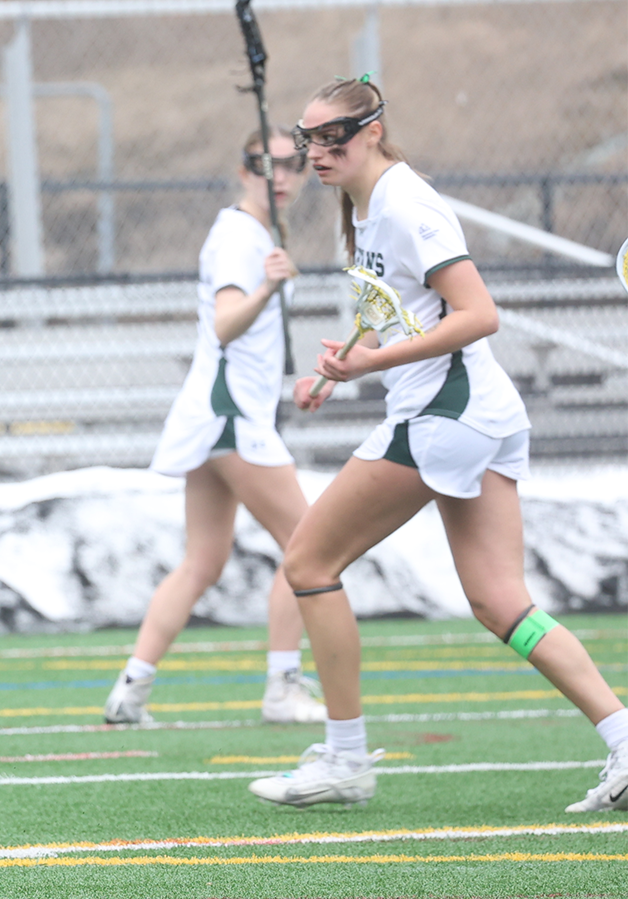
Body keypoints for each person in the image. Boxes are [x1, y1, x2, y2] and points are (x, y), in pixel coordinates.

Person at [249, 77, 628, 810]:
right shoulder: (362, 206)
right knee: (498, 601)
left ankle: (345, 758)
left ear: (371, 130)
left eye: (332, 137)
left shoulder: (406, 204)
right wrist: (341, 370)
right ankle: (624, 737)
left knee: (308, 559)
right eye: (308, 138)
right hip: (476, 411)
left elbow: (478, 313)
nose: (316, 153)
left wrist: (373, 364)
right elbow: (399, 312)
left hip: (446, 414)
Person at [105, 131, 326, 728]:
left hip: (215, 415)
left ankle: (131, 690)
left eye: (292, 165)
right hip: (231, 417)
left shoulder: (257, 234)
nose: (280, 177)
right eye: (266, 165)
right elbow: (226, 324)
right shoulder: (240, 236)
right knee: (313, 549)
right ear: (244, 169)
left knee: (202, 561)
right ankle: (283, 686)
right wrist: (267, 286)